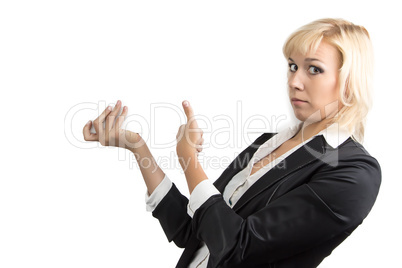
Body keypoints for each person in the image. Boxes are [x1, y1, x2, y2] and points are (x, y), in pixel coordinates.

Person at [83, 18, 381, 268]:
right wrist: (139, 148)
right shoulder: (268, 143)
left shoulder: (355, 172)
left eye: (314, 69)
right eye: (292, 66)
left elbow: (236, 246)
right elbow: (194, 231)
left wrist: (189, 160)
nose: (294, 81)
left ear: (350, 82)